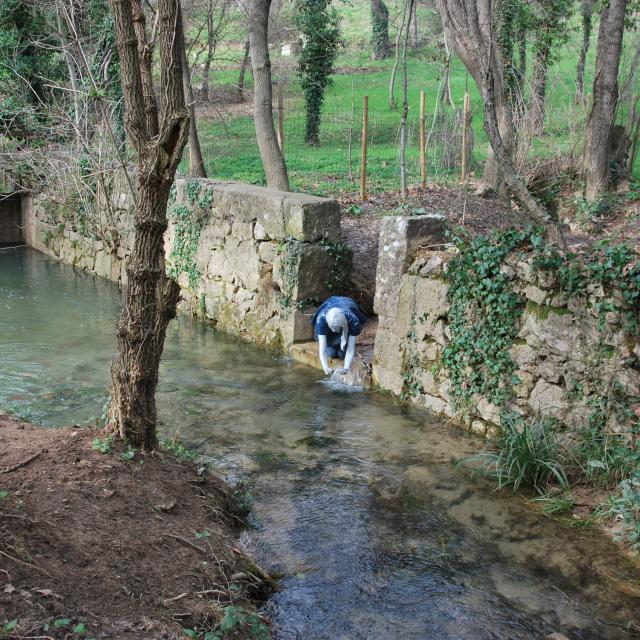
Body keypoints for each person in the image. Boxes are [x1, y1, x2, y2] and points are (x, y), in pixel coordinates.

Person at [311, 296, 367, 376]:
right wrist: (325, 368)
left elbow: (351, 349)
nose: (333, 331)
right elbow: (322, 348)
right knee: (331, 353)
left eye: (336, 329)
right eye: (332, 328)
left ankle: (341, 343)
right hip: (330, 309)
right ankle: (334, 343)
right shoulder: (321, 319)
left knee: (342, 355)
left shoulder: (353, 321)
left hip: (347, 308)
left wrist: (346, 369)